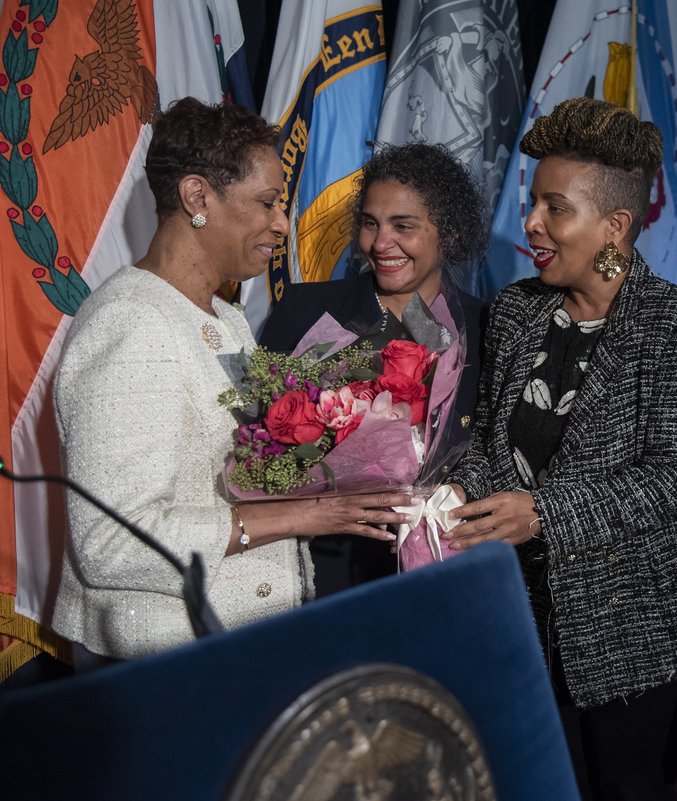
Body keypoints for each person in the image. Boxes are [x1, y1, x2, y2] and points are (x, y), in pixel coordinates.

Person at [52, 98, 411, 668]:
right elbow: (111, 546)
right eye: (267, 203)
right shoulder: (131, 324)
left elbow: (237, 473)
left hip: (243, 651)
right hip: (163, 669)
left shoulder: (226, 319)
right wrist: (309, 515)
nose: (281, 224)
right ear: (198, 198)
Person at [442, 97, 677, 800]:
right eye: (533, 203)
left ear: (614, 226)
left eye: (553, 208)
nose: (531, 225)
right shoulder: (514, 310)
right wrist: (466, 495)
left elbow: (674, 475)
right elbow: (483, 435)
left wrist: (540, 513)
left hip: (624, 640)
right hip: (509, 621)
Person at [258, 142, 488, 596]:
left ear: (452, 233)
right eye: (369, 224)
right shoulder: (304, 311)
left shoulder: (487, 328)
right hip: (318, 570)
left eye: (403, 226)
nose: (380, 244)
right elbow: (259, 445)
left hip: (443, 570)